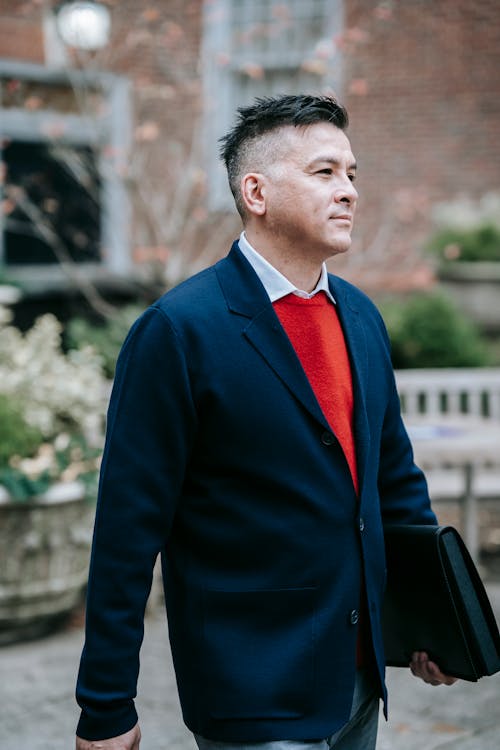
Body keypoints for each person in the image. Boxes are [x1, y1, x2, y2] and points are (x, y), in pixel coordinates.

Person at [75, 94, 456, 750]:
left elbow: (395, 483)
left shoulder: (361, 317)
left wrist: (431, 623)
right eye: (324, 172)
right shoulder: (177, 330)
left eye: (352, 174)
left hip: (360, 680)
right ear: (257, 191)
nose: (349, 192)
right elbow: (128, 531)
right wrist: (105, 705)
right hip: (251, 687)